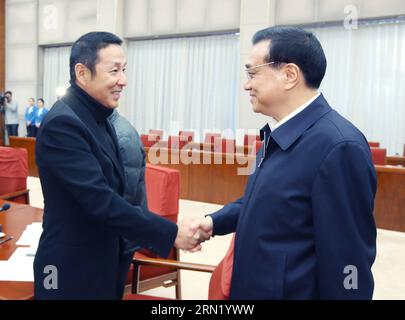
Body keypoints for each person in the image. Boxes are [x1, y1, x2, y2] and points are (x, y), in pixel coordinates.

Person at [195, 26, 377, 299]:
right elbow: (263, 202)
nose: (247, 84)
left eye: (252, 72)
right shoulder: (280, 134)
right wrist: (213, 222)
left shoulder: (338, 147)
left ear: (289, 75)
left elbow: (349, 260)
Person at [34, 31, 203, 299]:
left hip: (105, 258)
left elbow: (120, 193)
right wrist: (170, 233)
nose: (123, 80)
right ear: (82, 72)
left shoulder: (100, 116)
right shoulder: (63, 124)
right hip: (68, 266)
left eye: (124, 70)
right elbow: (100, 201)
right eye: (114, 71)